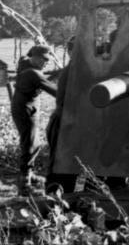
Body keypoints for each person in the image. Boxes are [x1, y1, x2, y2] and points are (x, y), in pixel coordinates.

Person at [11, 44, 57, 195]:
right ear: (35, 58)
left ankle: (29, 174)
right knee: (29, 144)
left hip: (25, 108)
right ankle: (24, 183)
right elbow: (53, 90)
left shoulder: (26, 65)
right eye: (44, 59)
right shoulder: (32, 73)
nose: (47, 62)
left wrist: (60, 72)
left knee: (35, 144)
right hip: (26, 111)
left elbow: (43, 78)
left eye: (48, 59)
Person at [46, 36, 75, 165]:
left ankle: (75, 186)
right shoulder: (71, 72)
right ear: (70, 52)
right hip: (64, 122)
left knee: (78, 167)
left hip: (72, 122)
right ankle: (56, 185)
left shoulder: (77, 70)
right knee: (60, 164)